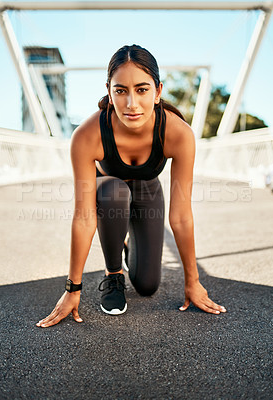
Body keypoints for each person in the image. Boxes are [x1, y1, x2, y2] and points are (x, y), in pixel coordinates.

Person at [36, 44, 226, 328]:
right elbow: (85, 217)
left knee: (148, 285)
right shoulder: (87, 136)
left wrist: (193, 282)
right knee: (114, 192)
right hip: (109, 193)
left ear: (158, 91)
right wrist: (72, 289)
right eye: (121, 90)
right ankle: (113, 274)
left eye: (142, 90)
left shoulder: (177, 133)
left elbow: (181, 216)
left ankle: (125, 243)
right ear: (109, 92)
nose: (131, 104)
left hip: (148, 191)